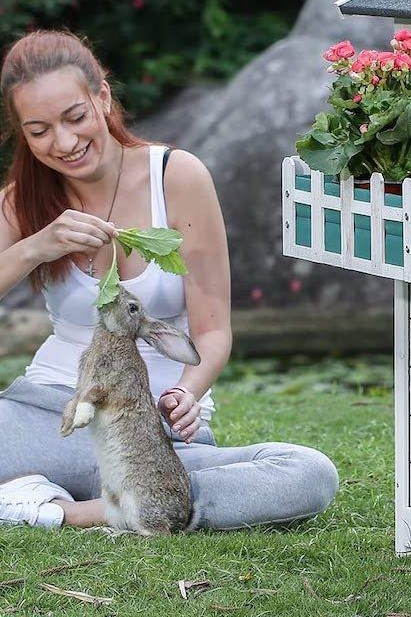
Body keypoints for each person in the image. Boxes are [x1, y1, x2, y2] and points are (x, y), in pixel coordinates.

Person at [0, 30, 339, 530]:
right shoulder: (21, 199)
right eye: (39, 130)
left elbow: (213, 331)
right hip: (50, 412)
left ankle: (73, 511)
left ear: (103, 97)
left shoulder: (177, 178)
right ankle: (86, 500)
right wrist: (34, 247)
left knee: (309, 474)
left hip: (149, 434)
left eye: (74, 117)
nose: (65, 142)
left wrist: (188, 392)